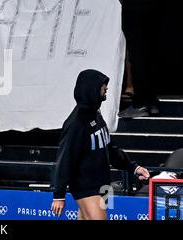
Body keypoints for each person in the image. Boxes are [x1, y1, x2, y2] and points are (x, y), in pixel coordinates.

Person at [51, 69, 150, 220]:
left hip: (103, 185)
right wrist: (59, 195)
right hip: (86, 186)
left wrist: (133, 167)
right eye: (103, 89)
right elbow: (65, 159)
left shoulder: (97, 116)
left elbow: (109, 148)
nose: (106, 92)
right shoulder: (76, 123)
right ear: (91, 90)